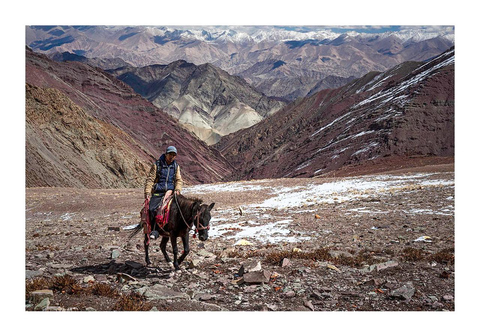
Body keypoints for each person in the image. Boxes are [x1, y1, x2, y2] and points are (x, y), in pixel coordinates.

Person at [144, 146, 184, 239]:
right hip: (158, 191)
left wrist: (177, 190)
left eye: (174, 155)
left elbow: (179, 180)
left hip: (170, 191)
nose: (172, 157)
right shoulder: (157, 165)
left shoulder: (175, 166)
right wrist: (147, 192)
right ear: (166, 154)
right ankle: (154, 230)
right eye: (170, 154)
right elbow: (150, 180)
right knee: (152, 209)